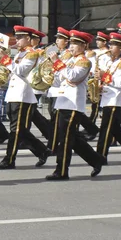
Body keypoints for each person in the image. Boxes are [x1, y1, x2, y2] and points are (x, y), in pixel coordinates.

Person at [46, 30, 105, 180]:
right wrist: (51, 72)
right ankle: (96, 159)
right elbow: (59, 80)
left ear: (84, 45)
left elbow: (73, 77)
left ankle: (62, 171)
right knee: (71, 138)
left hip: (73, 105)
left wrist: (58, 64)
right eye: (71, 43)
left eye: (75, 44)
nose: (71, 47)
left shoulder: (85, 61)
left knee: (66, 140)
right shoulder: (68, 60)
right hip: (62, 101)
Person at [0, 26, 51, 170]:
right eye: (16, 38)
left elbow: (20, 71)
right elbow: (12, 71)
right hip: (13, 94)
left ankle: (9, 159)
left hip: (23, 95)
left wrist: (5, 59)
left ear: (29, 39)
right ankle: (42, 150)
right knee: (21, 130)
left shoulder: (32, 54)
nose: (17, 40)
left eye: (20, 38)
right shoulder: (20, 54)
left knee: (16, 130)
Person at [95, 33, 121, 162]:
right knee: (116, 131)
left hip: (115, 101)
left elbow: (120, 83)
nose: (110, 47)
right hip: (107, 99)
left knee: (106, 130)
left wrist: (104, 76)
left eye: (114, 45)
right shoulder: (109, 62)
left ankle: (100, 156)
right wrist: (100, 86)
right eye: (110, 44)